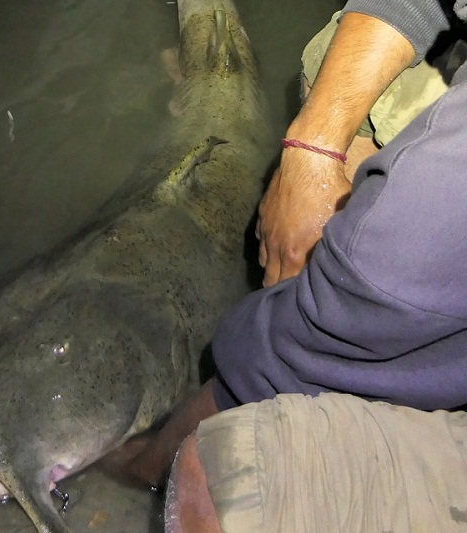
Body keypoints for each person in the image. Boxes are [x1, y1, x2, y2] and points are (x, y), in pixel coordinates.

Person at [103, 0, 467, 530]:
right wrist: (312, 146)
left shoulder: (416, 220)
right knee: (335, 70)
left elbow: (281, 361)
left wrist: (142, 462)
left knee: (222, 477)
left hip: (406, 245)